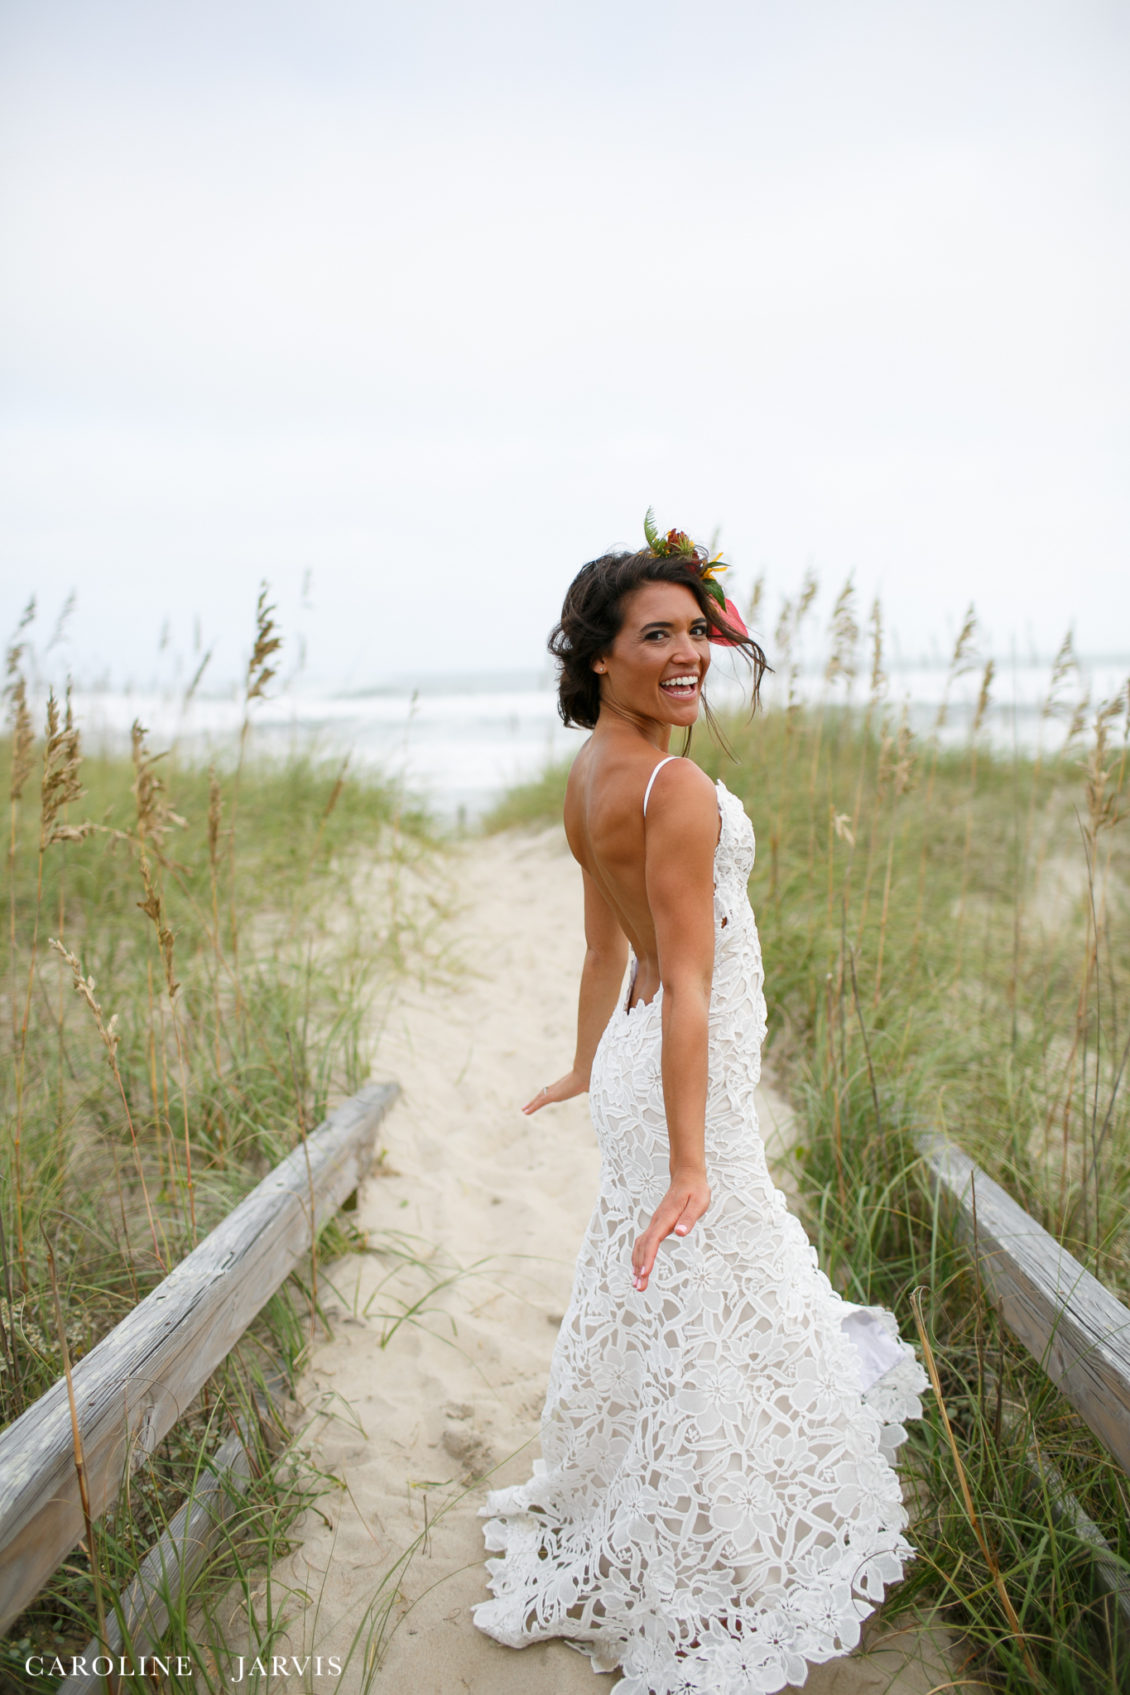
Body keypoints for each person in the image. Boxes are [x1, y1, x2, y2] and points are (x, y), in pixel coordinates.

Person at [473, 520, 927, 1695]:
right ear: (598, 657)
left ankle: (675, 1503)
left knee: (683, 1304)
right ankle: (718, 1552)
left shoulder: (589, 775)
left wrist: (586, 1064)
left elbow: (597, 953)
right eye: (655, 636)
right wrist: (686, 1161)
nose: (688, 656)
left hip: (635, 1068)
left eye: (696, 631)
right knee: (723, 1283)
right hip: (683, 1081)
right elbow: (681, 980)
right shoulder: (669, 787)